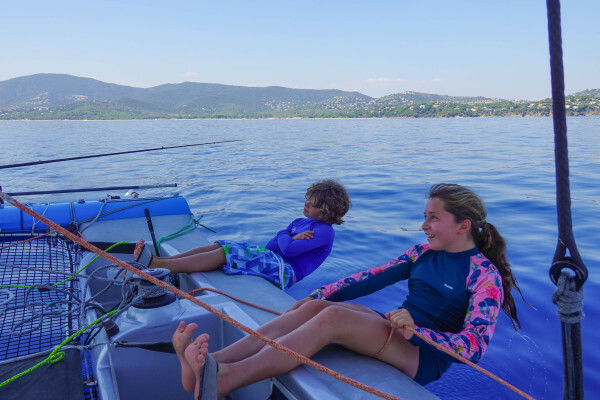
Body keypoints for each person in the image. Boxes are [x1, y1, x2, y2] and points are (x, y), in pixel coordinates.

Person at [172, 183, 523, 399]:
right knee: (316, 309)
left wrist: (418, 332)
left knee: (334, 320)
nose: (424, 225)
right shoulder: (422, 253)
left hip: (422, 354)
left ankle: (227, 379)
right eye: (425, 216)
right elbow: (369, 279)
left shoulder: (484, 276)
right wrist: (316, 295)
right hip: (399, 328)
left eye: (434, 218)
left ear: (463, 225)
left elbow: (474, 346)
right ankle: (216, 362)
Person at [134, 179, 351, 289]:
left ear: (326, 211)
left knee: (227, 254)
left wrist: (286, 237)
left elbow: (288, 250)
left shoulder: (324, 232)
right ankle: (163, 261)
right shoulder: (300, 222)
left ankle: (160, 265)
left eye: (311, 204)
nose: (305, 204)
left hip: (285, 272)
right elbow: (271, 246)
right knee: (221, 245)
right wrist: (287, 234)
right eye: (307, 199)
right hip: (274, 259)